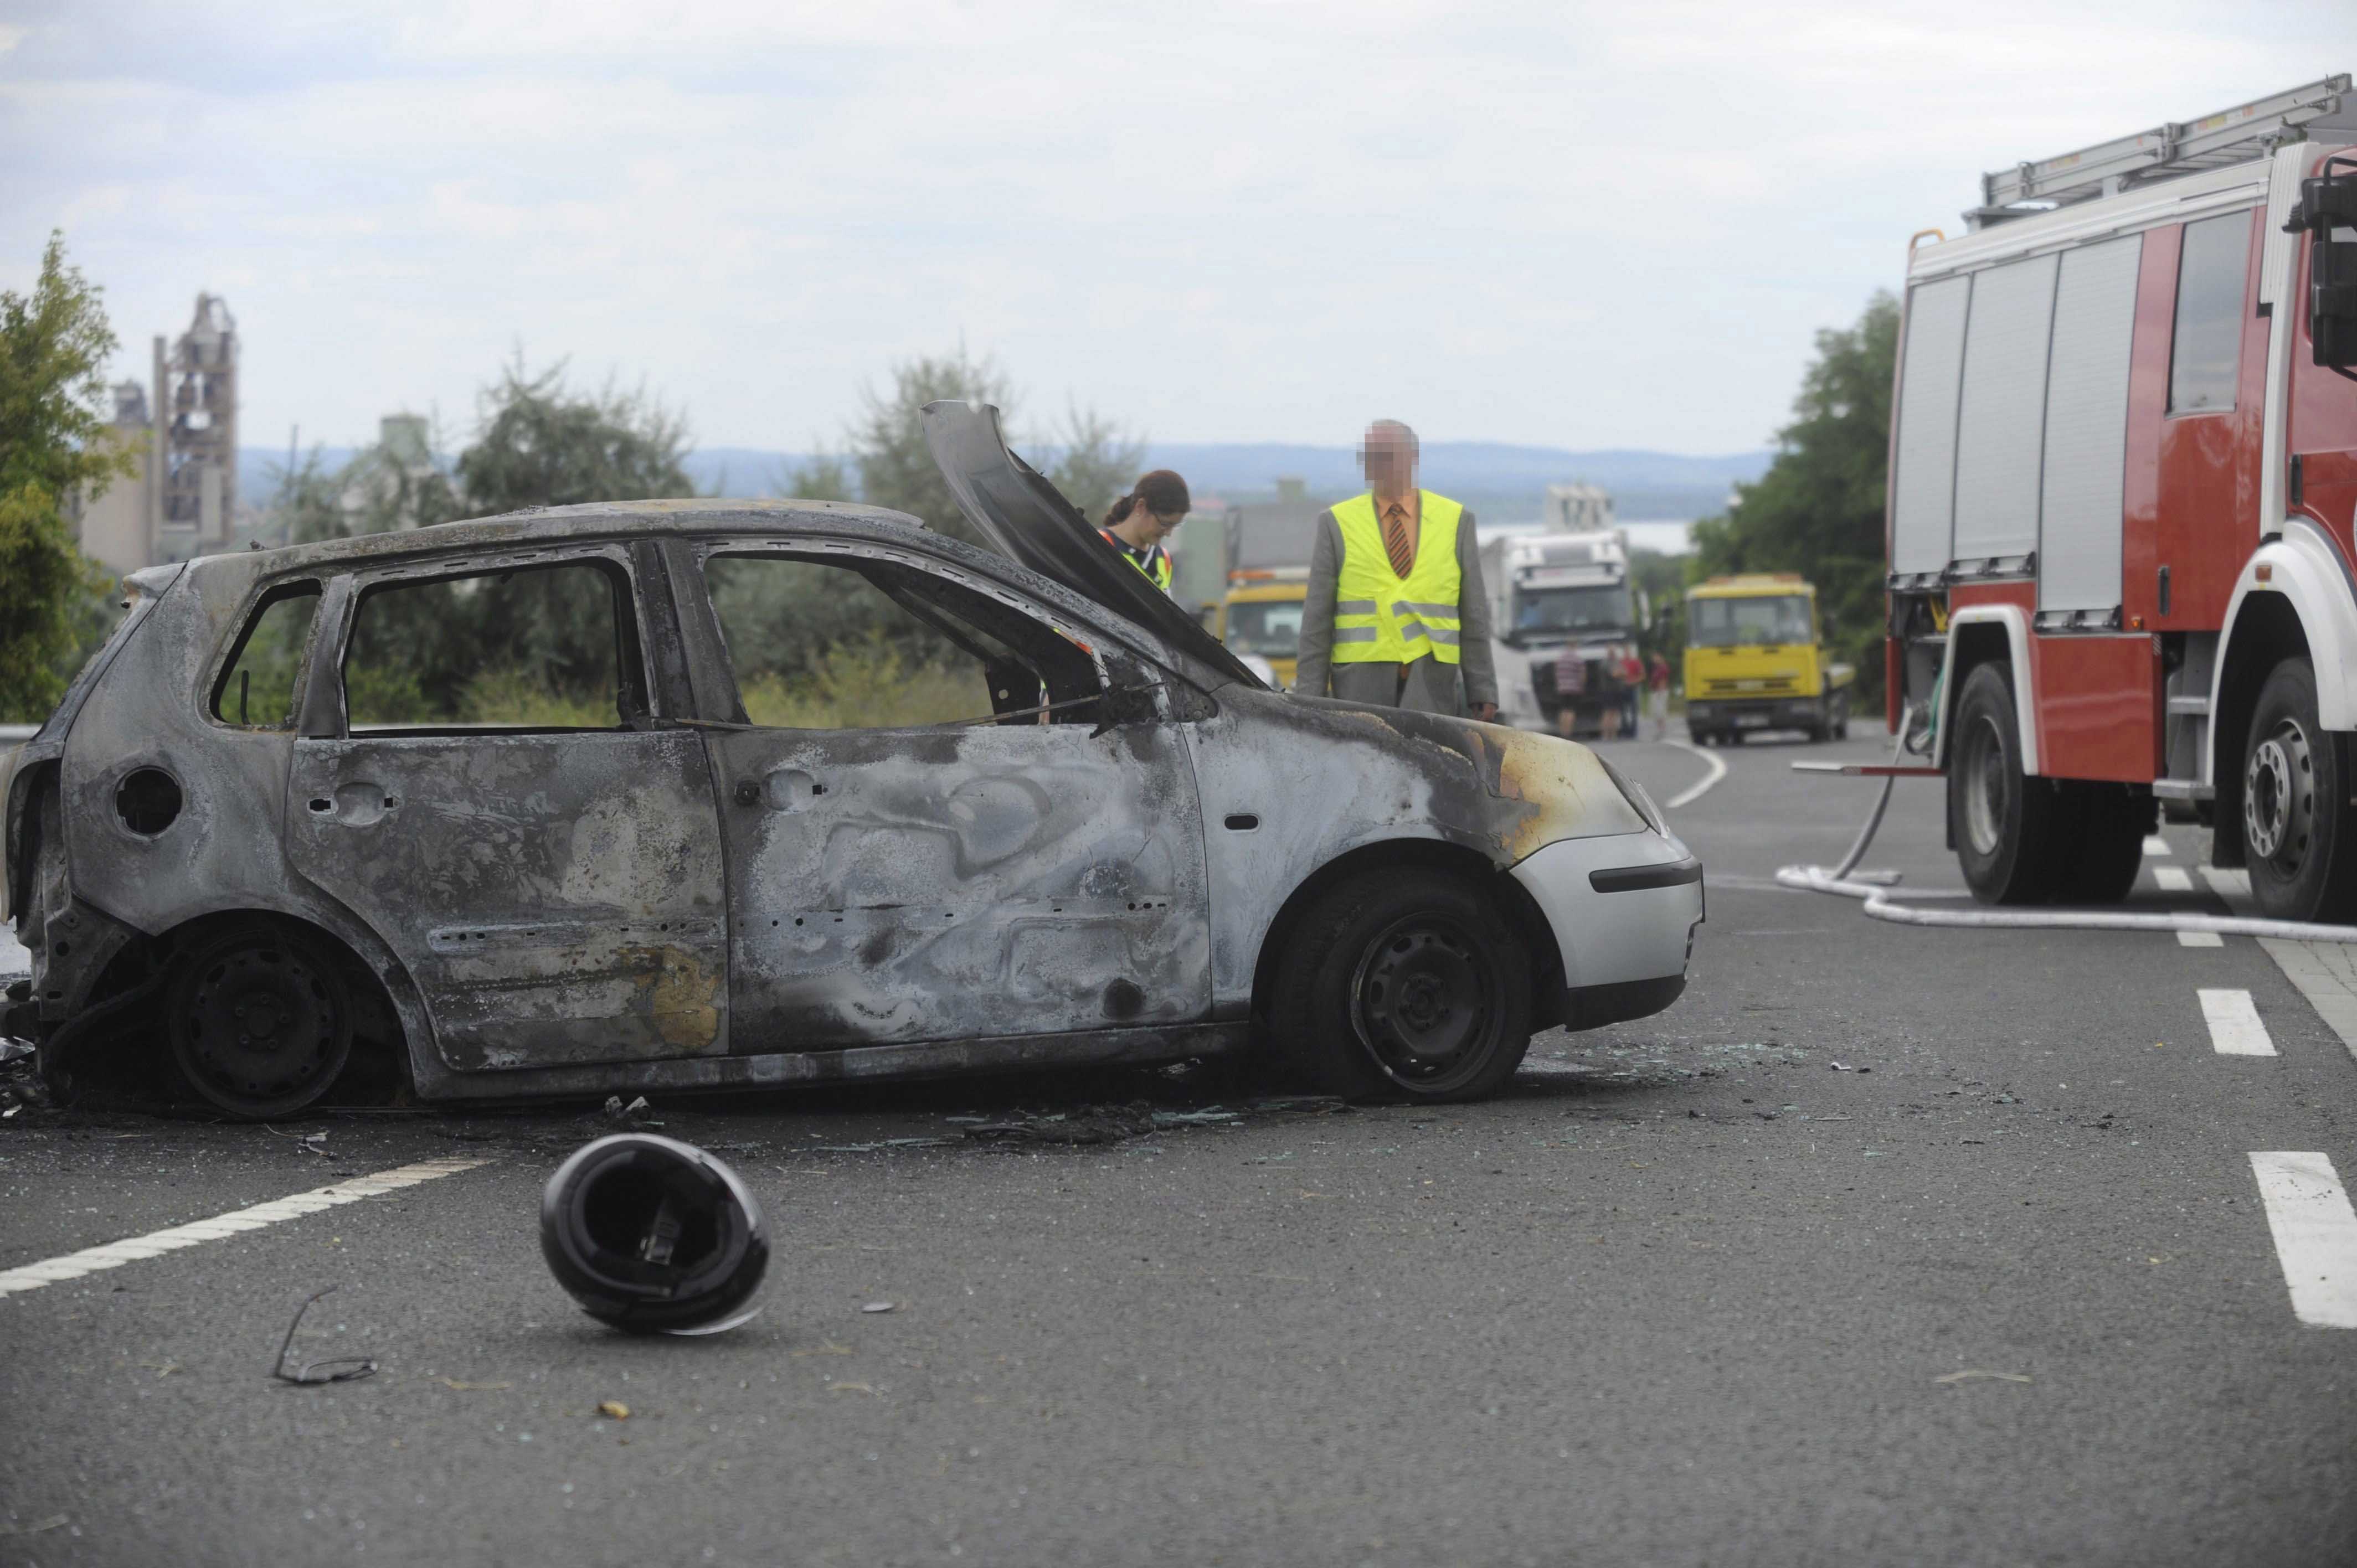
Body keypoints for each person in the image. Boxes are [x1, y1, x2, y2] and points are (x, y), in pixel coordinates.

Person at [1294, 420, 1498, 719]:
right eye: (1370, 457)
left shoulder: (1456, 521)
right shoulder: (1337, 523)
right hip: (1359, 689)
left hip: (1431, 683)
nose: (1377, 466)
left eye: (1386, 456)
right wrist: (1307, 700)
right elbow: (1316, 620)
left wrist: (1482, 690)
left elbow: (1474, 614)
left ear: (1412, 458)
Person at [1098, 470, 1190, 592]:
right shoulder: (1098, 545)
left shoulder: (1164, 559)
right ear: (1141, 507)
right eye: (1164, 524)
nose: (1169, 533)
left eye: (1175, 525)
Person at [1648, 651, 1672, 741]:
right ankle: (1659, 729)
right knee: (1655, 712)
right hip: (1655, 691)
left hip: (1660, 692)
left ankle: (1662, 730)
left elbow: (1663, 680)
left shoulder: (1663, 668)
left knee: (1660, 711)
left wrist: (1660, 692)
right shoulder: (1656, 668)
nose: (1654, 660)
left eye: (1656, 657)